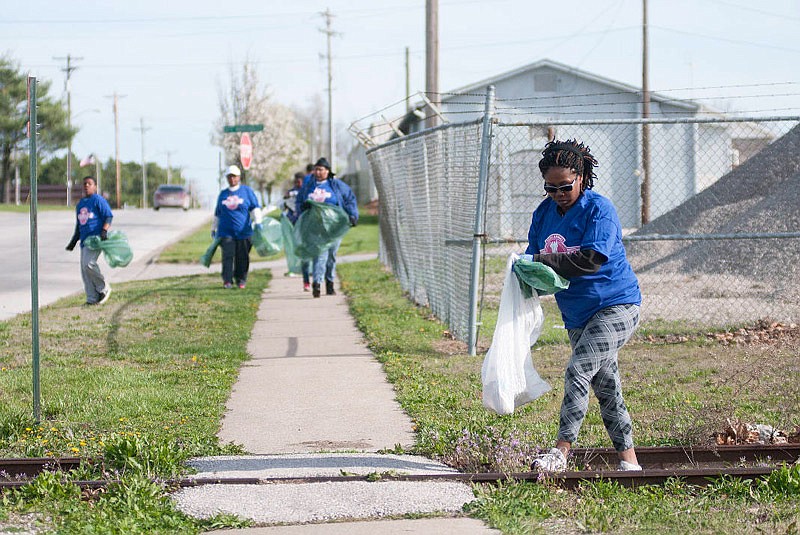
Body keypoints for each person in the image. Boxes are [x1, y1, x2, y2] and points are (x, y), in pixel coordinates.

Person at [524, 139, 643, 472]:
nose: (559, 193)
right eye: (551, 187)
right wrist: (522, 270)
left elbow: (590, 260)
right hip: (576, 313)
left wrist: (540, 259)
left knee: (578, 371)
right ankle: (630, 463)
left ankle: (560, 452)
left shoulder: (599, 209)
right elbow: (537, 264)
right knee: (606, 386)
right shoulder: (543, 214)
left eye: (565, 186)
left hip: (616, 305)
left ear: (582, 177)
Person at [296, 157, 358, 298]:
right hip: (316, 227)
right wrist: (303, 207)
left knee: (331, 256)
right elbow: (299, 201)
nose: (317, 172)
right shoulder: (309, 186)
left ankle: (329, 282)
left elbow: (349, 199)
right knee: (319, 254)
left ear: (327, 171)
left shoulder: (336, 185)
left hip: (334, 227)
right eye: (316, 169)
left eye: (321, 169)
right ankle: (317, 284)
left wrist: (353, 215)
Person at [213, 165, 263, 289]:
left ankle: (241, 279)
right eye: (229, 176)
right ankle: (227, 280)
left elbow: (254, 208)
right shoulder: (223, 194)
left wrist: (258, 222)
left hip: (244, 232)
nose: (232, 179)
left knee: (242, 256)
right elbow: (218, 213)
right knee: (228, 256)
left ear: (239, 177)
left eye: (234, 176)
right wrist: (213, 228)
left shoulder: (246, 192)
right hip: (226, 232)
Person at [65, 175, 113, 305]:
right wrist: (73, 241)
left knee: (89, 264)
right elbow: (79, 224)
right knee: (84, 270)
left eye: (89, 183)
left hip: (95, 239)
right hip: (84, 241)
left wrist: (104, 230)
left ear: (95, 186)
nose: (86, 186)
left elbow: (108, 216)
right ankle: (92, 298)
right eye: (84, 184)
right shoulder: (80, 204)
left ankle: (103, 288)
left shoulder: (98, 200)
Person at [284, 172, 312, 291]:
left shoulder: (309, 192)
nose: (298, 184)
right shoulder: (292, 193)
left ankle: (316, 277)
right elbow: (285, 205)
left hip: (311, 225)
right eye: (296, 182)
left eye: (299, 181)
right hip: (296, 225)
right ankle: (306, 280)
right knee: (302, 252)